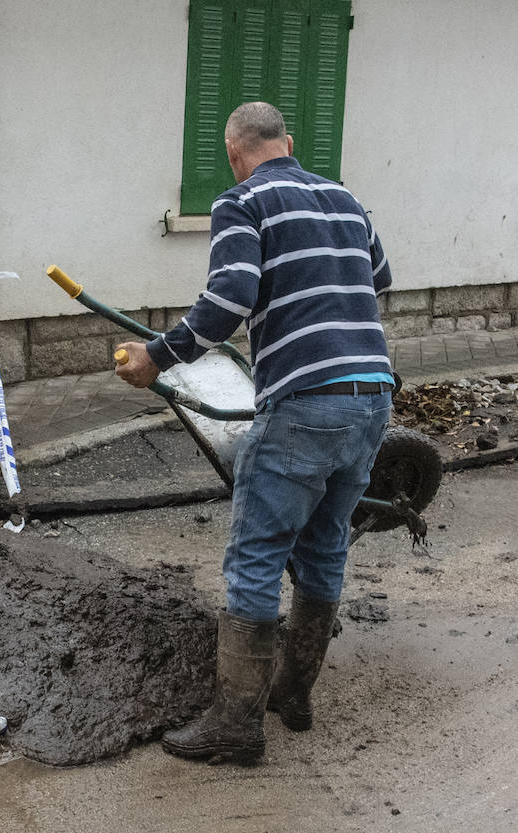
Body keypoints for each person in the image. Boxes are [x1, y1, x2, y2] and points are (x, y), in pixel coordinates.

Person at [115, 101, 393, 762]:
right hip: (373, 395)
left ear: (235, 153)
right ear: (288, 143)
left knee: (258, 551)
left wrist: (158, 354)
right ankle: (293, 693)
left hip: (305, 401)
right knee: (325, 544)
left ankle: (236, 724)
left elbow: (230, 296)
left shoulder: (241, 201)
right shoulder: (345, 198)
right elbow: (378, 281)